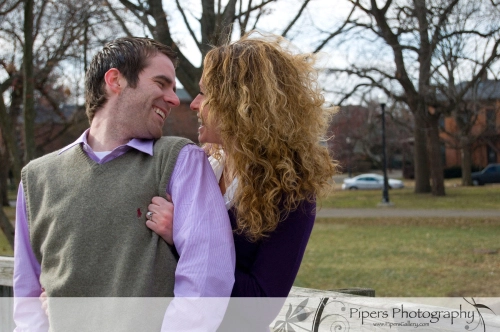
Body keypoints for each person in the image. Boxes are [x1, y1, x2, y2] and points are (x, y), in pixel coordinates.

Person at [13, 37, 235, 332]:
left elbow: (206, 277)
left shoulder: (181, 161)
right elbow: (27, 298)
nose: (173, 98)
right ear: (115, 80)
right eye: (161, 83)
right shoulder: (36, 178)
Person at [147, 32, 338, 330]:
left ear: (241, 105)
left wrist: (185, 237)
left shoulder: (290, 194)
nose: (195, 104)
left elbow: (257, 307)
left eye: (206, 94)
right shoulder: (200, 168)